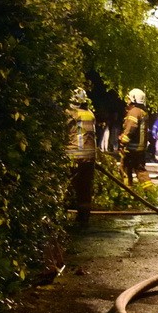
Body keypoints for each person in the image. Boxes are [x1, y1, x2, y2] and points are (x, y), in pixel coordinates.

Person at [66, 87, 97, 225]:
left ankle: (62, 213)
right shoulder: (90, 114)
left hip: (74, 156)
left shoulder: (69, 113)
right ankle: (84, 217)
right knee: (85, 188)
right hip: (89, 157)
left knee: (68, 186)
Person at [119, 88, 151, 188]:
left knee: (124, 170)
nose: (127, 101)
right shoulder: (143, 112)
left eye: (129, 99)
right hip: (140, 149)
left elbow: (130, 128)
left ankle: (127, 192)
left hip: (132, 149)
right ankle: (150, 192)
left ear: (134, 99)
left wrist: (122, 142)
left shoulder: (134, 112)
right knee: (141, 171)